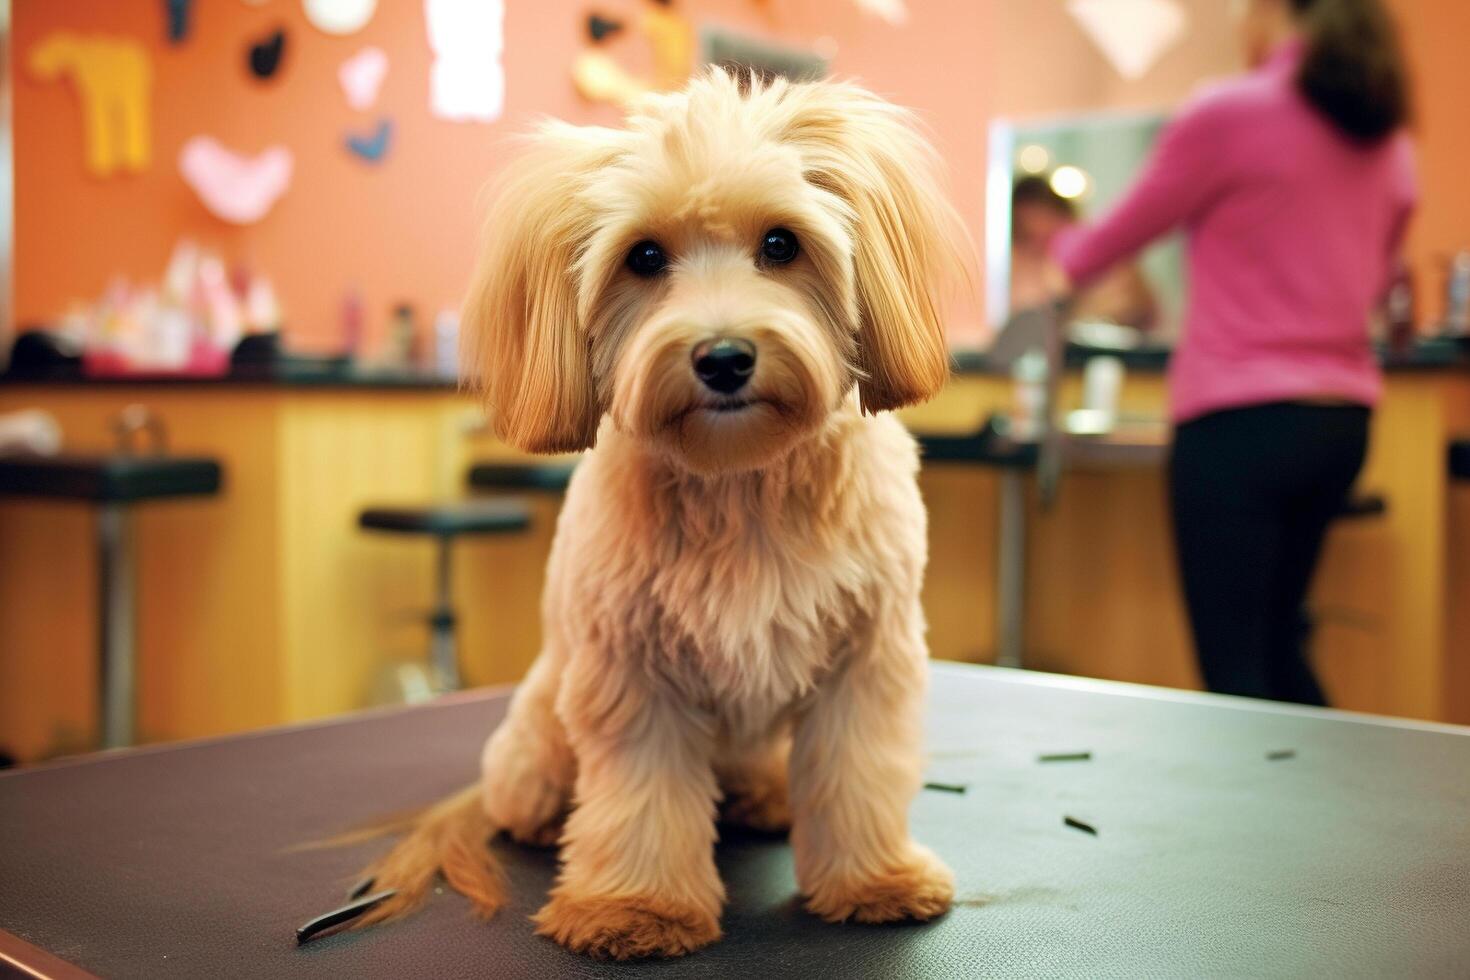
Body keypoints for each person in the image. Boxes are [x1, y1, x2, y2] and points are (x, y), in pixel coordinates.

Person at [1045, 0, 1417, 704]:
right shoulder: (1385, 139)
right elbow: (1381, 280)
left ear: (1275, 11)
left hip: (1238, 424)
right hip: (1342, 423)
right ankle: (1329, 810)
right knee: (1279, 644)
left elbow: (1107, 242)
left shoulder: (1230, 114)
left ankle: (1293, 815)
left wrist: (1058, 252)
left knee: (1235, 672)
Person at [1010, 175, 1159, 332]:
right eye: (1029, 236)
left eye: (1048, 235)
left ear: (1065, 217)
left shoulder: (1108, 262)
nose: (1040, 243)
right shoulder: (1015, 269)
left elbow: (1137, 309)